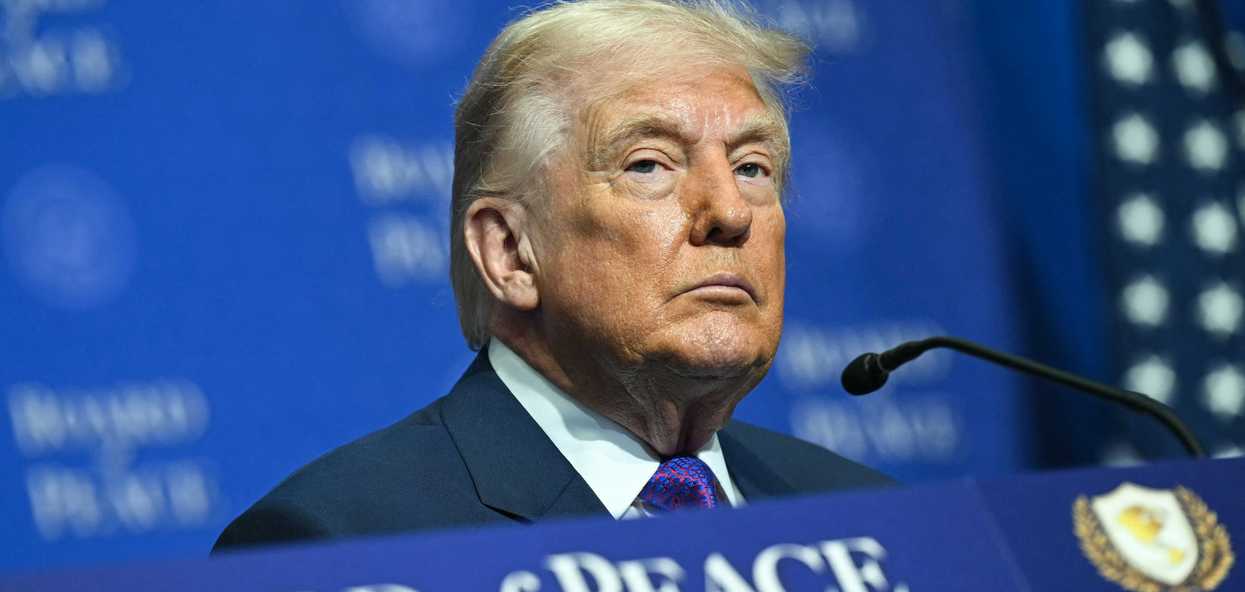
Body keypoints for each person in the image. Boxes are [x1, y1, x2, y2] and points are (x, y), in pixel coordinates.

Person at [213, 0, 891, 551]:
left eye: (752, 167)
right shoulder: (342, 544)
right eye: (648, 164)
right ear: (509, 252)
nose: (729, 212)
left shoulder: (866, 519)